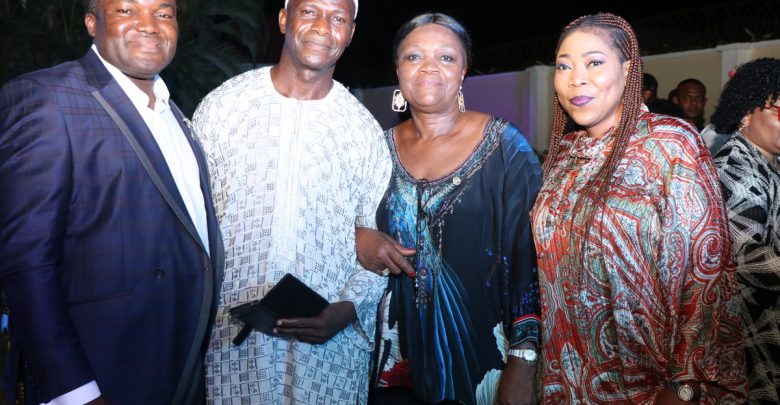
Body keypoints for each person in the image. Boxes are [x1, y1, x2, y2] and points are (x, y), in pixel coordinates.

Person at [0, 0, 224, 403]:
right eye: (127, 11)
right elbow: (26, 262)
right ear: (92, 23)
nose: (149, 25)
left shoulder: (175, 116)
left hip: (177, 367)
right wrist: (75, 391)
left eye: (163, 13)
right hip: (104, 371)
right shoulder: (48, 98)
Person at [531, 12, 747, 404]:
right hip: (565, 381)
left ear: (628, 70)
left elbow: (706, 274)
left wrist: (683, 386)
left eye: (594, 62)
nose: (576, 78)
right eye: (564, 66)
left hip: (649, 382)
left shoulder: (669, 144)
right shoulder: (561, 156)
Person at [191, 0, 391, 403]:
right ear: (284, 19)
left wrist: (347, 308)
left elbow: (377, 242)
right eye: (309, 11)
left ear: (351, 33)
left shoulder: (361, 130)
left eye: (338, 18)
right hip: (233, 341)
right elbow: (193, 223)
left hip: (330, 352)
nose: (323, 27)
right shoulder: (225, 107)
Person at [359, 13, 542, 405]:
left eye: (445, 57)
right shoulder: (374, 150)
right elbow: (342, 222)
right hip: (389, 365)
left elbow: (531, 261)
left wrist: (524, 360)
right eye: (414, 57)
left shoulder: (506, 148)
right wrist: (357, 237)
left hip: (483, 364)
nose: (428, 67)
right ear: (398, 71)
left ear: (463, 73)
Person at [711, 57, 780, 404]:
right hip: (750, 335)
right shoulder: (734, 169)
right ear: (745, 114)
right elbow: (745, 256)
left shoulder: (769, 161)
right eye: (779, 110)